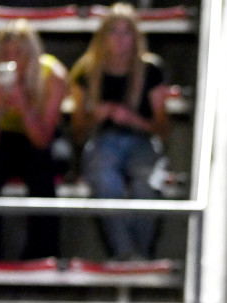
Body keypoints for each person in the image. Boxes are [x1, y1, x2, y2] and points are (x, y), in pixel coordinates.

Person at [69, 3, 170, 260]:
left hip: (142, 141)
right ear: (103, 36)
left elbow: (163, 129)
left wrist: (133, 120)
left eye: (127, 32)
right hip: (102, 141)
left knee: (145, 187)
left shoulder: (151, 70)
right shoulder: (87, 72)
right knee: (105, 181)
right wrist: (97, 116)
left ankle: (138, 255)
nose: (120, 39)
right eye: (114, 31)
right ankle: (126, 255)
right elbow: (77, 133)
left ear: (136, 37)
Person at [0, 19, 68, 261]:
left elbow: (42, 139)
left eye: (19, 53)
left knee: (42, 165)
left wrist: (23, 106)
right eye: (5, 54)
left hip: (41, 138)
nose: (12, 60)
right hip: (3, 140)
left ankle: (42, 253)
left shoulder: (52, 75)